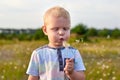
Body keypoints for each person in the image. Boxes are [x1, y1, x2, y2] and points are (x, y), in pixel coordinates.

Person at [26, 6, 86, 80]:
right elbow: (33, 78)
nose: (61, 32)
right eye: (55, 29)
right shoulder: (38, 54)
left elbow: (82, 78)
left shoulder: (74, 52)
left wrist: (71, 73)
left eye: (65, 28)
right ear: (45, 30)